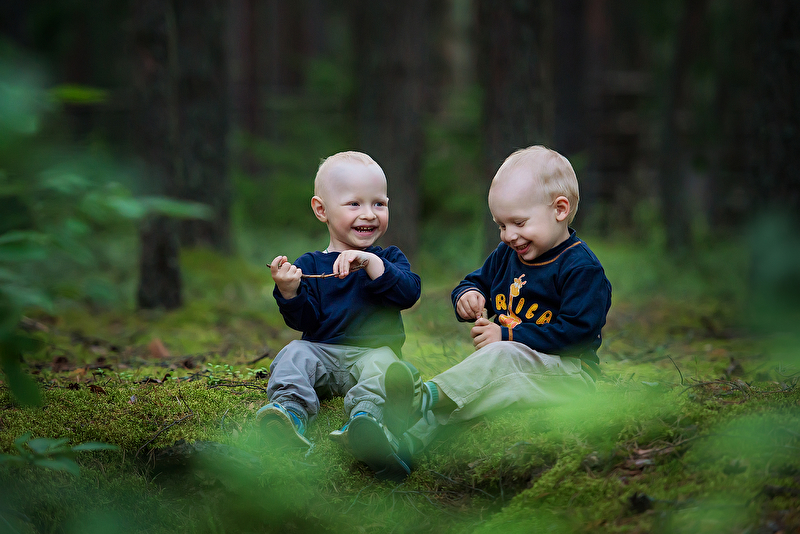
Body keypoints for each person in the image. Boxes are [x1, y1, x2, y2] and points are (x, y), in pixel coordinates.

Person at [383, 145, 612, 460]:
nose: (508, 235)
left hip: (571, 375)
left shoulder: (580, 268)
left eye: (519, 222)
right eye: (501, 225)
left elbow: (576, 333)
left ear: (560, 210)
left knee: (501, 359)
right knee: (478, 391)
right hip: (516, 367)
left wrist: (506, 335)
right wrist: (468, 295)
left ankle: (423, 396)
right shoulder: (507, 255)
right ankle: (404, 445)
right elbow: (476, 281)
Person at [257, 151, 421, 478]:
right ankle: (289, 413)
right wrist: (289, 291)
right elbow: (304, 322)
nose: (369, 214)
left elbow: (408, 293)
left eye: (379, 203)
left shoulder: (388, 259)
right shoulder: (311, 265)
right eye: (354, 204)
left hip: (372, 354)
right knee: (294, 352)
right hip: (322, 353)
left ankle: (365, 421)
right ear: (322, 210)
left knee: (386, 365)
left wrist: (372, 263)